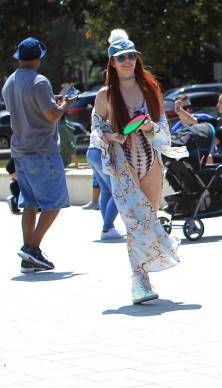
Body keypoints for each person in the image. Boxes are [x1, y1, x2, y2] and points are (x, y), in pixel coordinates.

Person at [90, 29, 180, 304]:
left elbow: (163, 128)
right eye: (121, 57)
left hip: (151, 163)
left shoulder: (149, 89)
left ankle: (145, 273)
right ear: (112, 63)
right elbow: (95, 129)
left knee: (148, 220)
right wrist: (112, 136)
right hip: (122, 166)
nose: (127, 61)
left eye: (131, 56)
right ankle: (139, 280)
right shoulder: (106, 95)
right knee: (135, 225)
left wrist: (150, 125)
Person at [2, 37, 74, 273]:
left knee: (30, 204)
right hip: (43, 150)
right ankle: (31, 249)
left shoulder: (9, 82)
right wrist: (66, 104)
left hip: (20, 151)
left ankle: (28, 257)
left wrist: (54, 102)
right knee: (55, 203)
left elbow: (29, 106)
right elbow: (51, 116)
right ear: (39, 58)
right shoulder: (40, 81)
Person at [86, 99, 122, 240]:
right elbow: (103, 133)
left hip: (92, 152)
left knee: (106, 191)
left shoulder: (96, 110)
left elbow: (94, 130)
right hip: (102, 153)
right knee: (118, 192)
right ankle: (107, 229)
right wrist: (114, 136)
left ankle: (109, 228)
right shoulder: (108, 106)